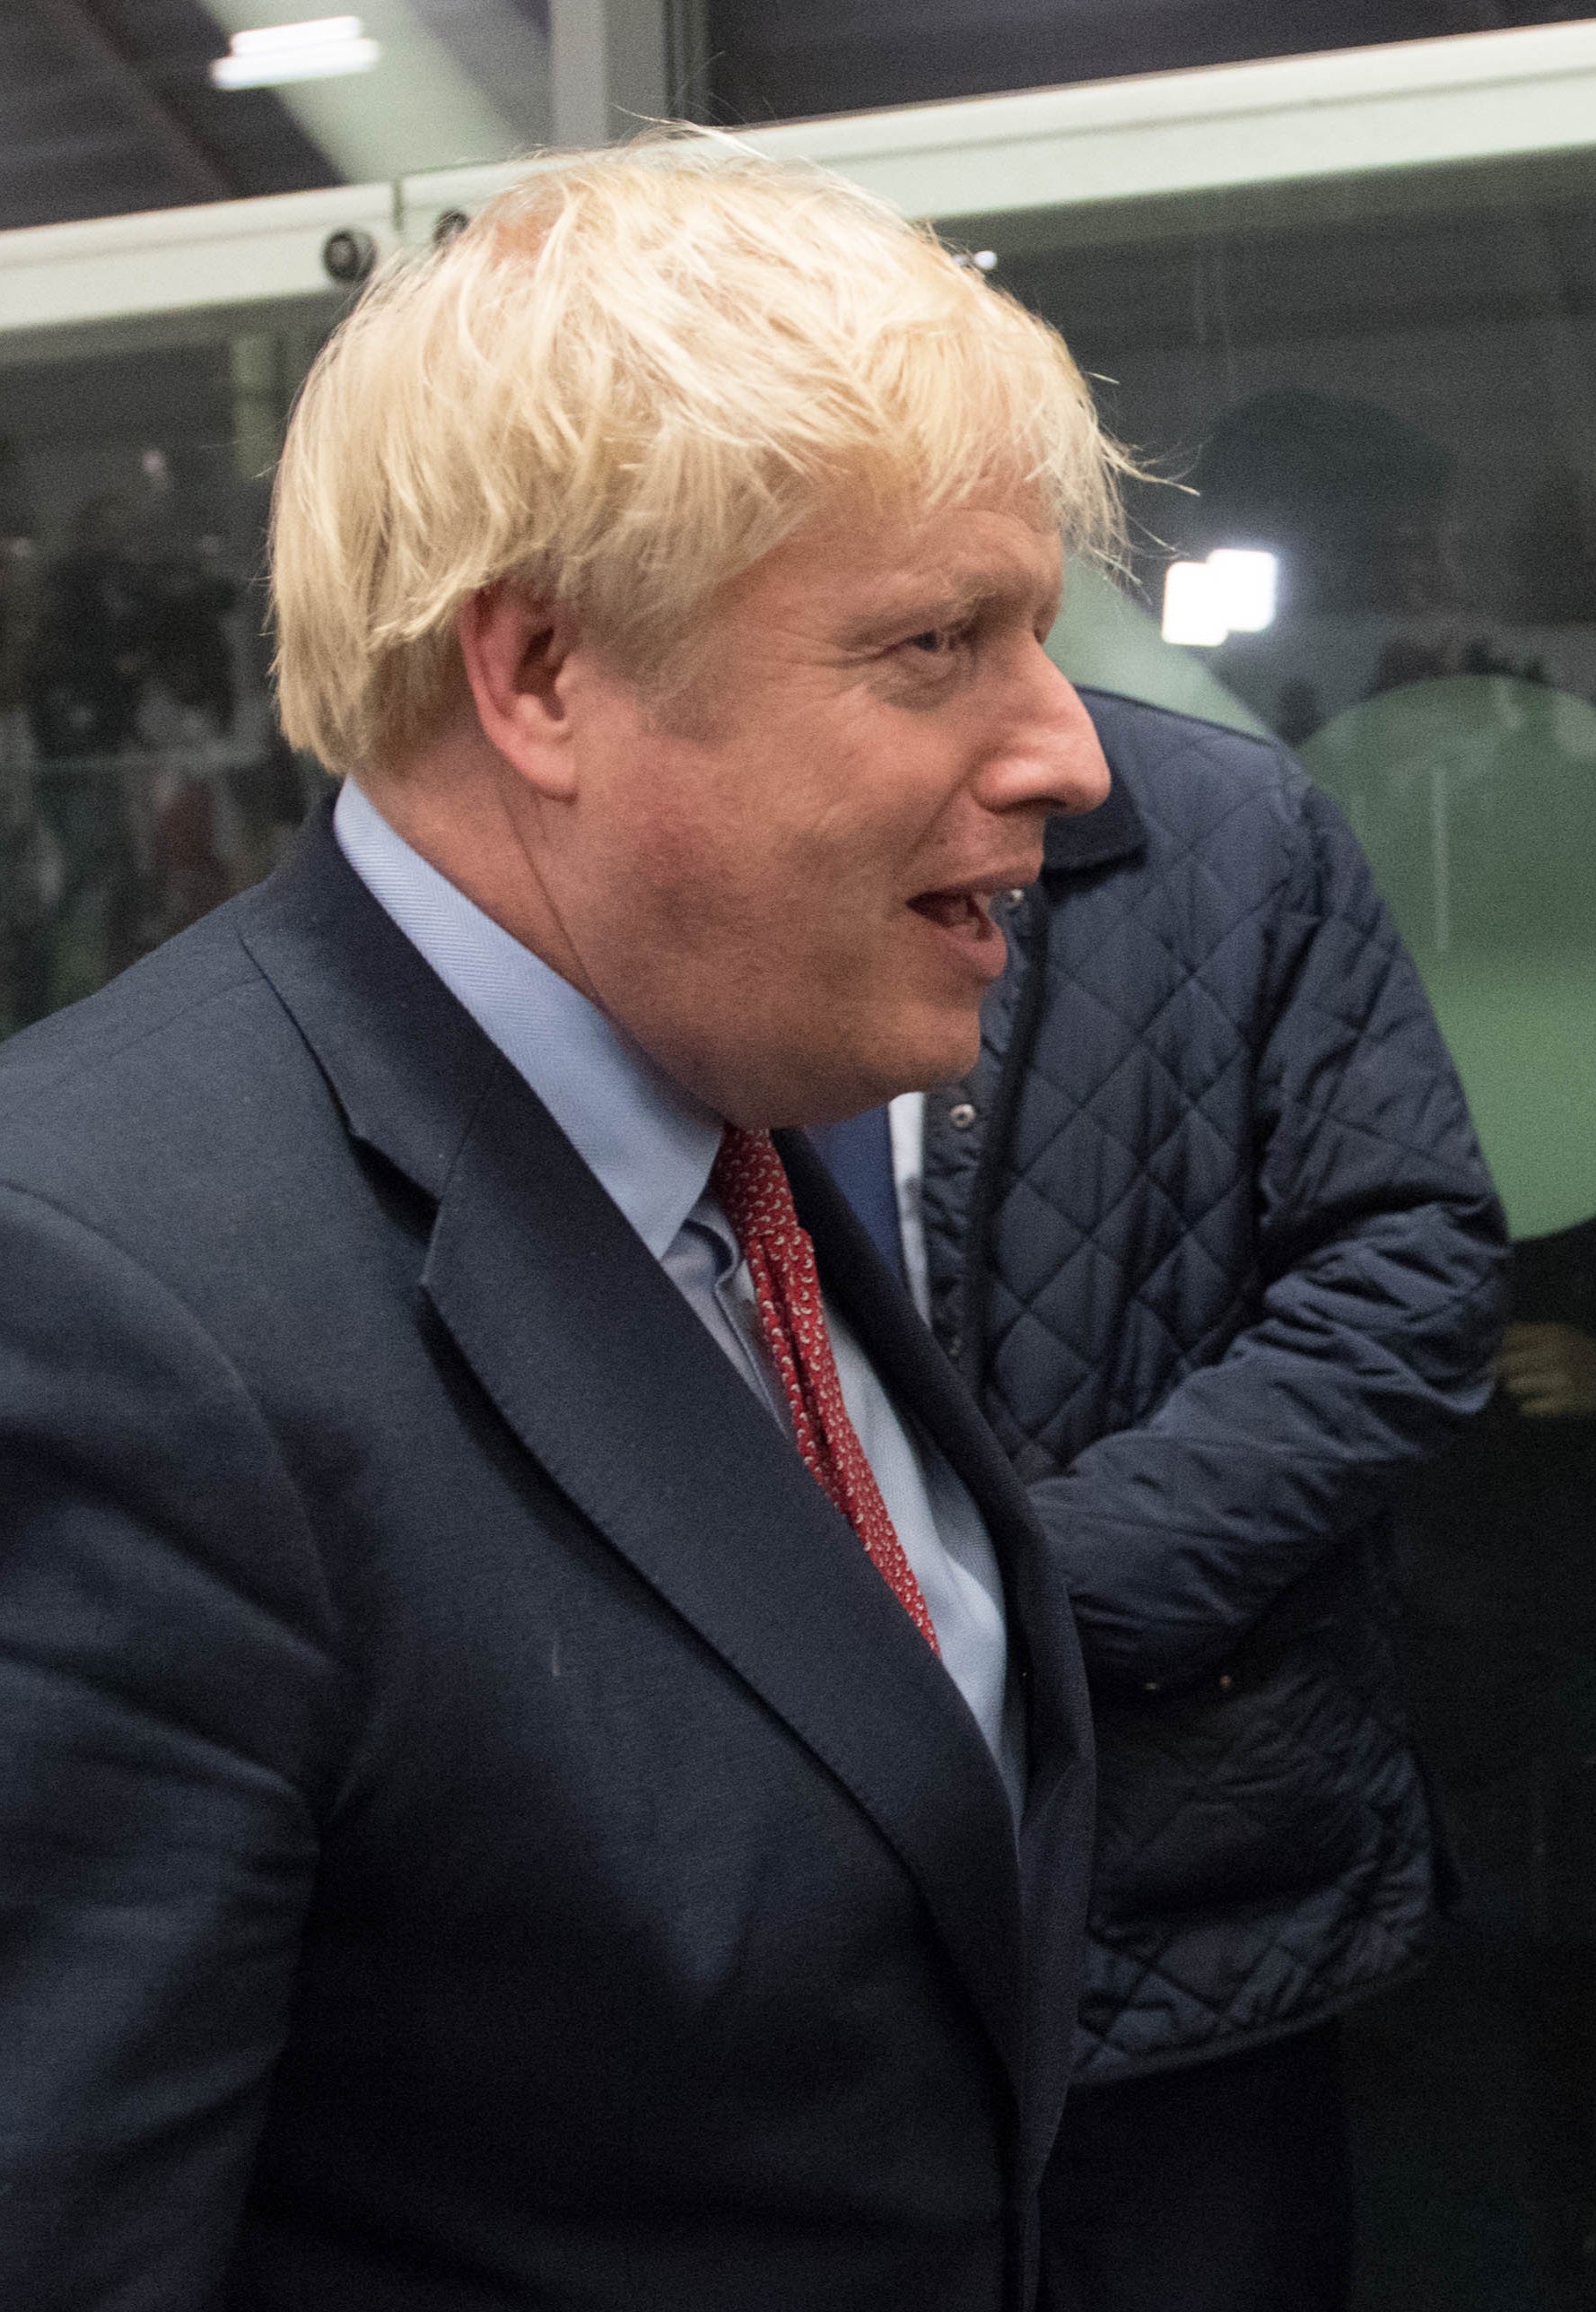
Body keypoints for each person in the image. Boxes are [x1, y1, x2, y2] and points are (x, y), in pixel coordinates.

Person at [0, 141, 1126, 2302]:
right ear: (538, 675)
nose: (1068, 750)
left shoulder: (724, 1099)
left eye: (1038, 637)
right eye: (931, 645)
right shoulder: (100, 1318)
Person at [814, 676, 1509, 2312]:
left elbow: (1411, 1270)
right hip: (768, 1917)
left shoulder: (1219, 822)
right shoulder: (665, 824)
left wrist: (1032, 1598)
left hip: (1183, 1864)